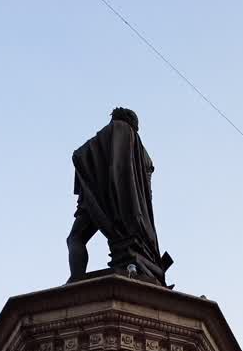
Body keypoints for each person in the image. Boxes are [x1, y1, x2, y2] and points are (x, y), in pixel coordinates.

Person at [68, 107, 171, 285]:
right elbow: (148, 194)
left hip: (98, 200)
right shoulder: (145, 156)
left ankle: (76, 282)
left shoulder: (111, 130)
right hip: (134, 213)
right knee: (131, 247)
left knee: (76, 238)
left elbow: (79, 155)